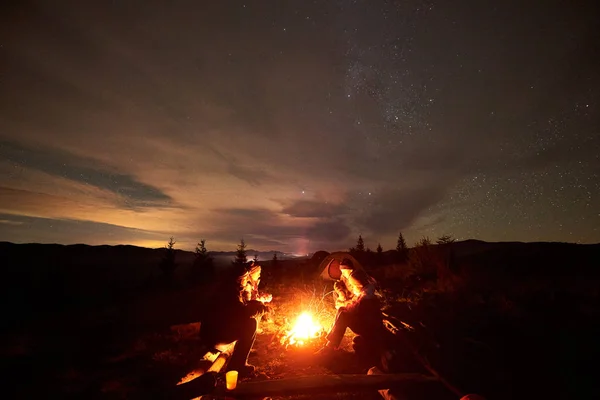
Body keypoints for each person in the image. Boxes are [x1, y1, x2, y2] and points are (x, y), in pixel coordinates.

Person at [198, 263, 272, 377]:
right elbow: (243, 313)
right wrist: (261, 308)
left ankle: (238, 363)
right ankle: (237, 366)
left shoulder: (230, 289)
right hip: (215, 336)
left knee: (249, 322)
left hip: (213, 332)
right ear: (239, 279)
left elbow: (241, 308)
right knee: (250, 324)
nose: (245, 280)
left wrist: (257, 304)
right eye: (244, 278)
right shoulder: (230, 293)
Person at [316, 258, 385, 364]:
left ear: (359, 285)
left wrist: (342, 303)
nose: (352, 287)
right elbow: (353, 304)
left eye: (353, 286)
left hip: (368, 328)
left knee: (343, 314)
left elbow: (354, 306)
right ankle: (331, 344)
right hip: (366, 323)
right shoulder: (365, 292)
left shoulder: (365, 297)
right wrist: (342, 299)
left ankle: (330, 347)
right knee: (342, 311)